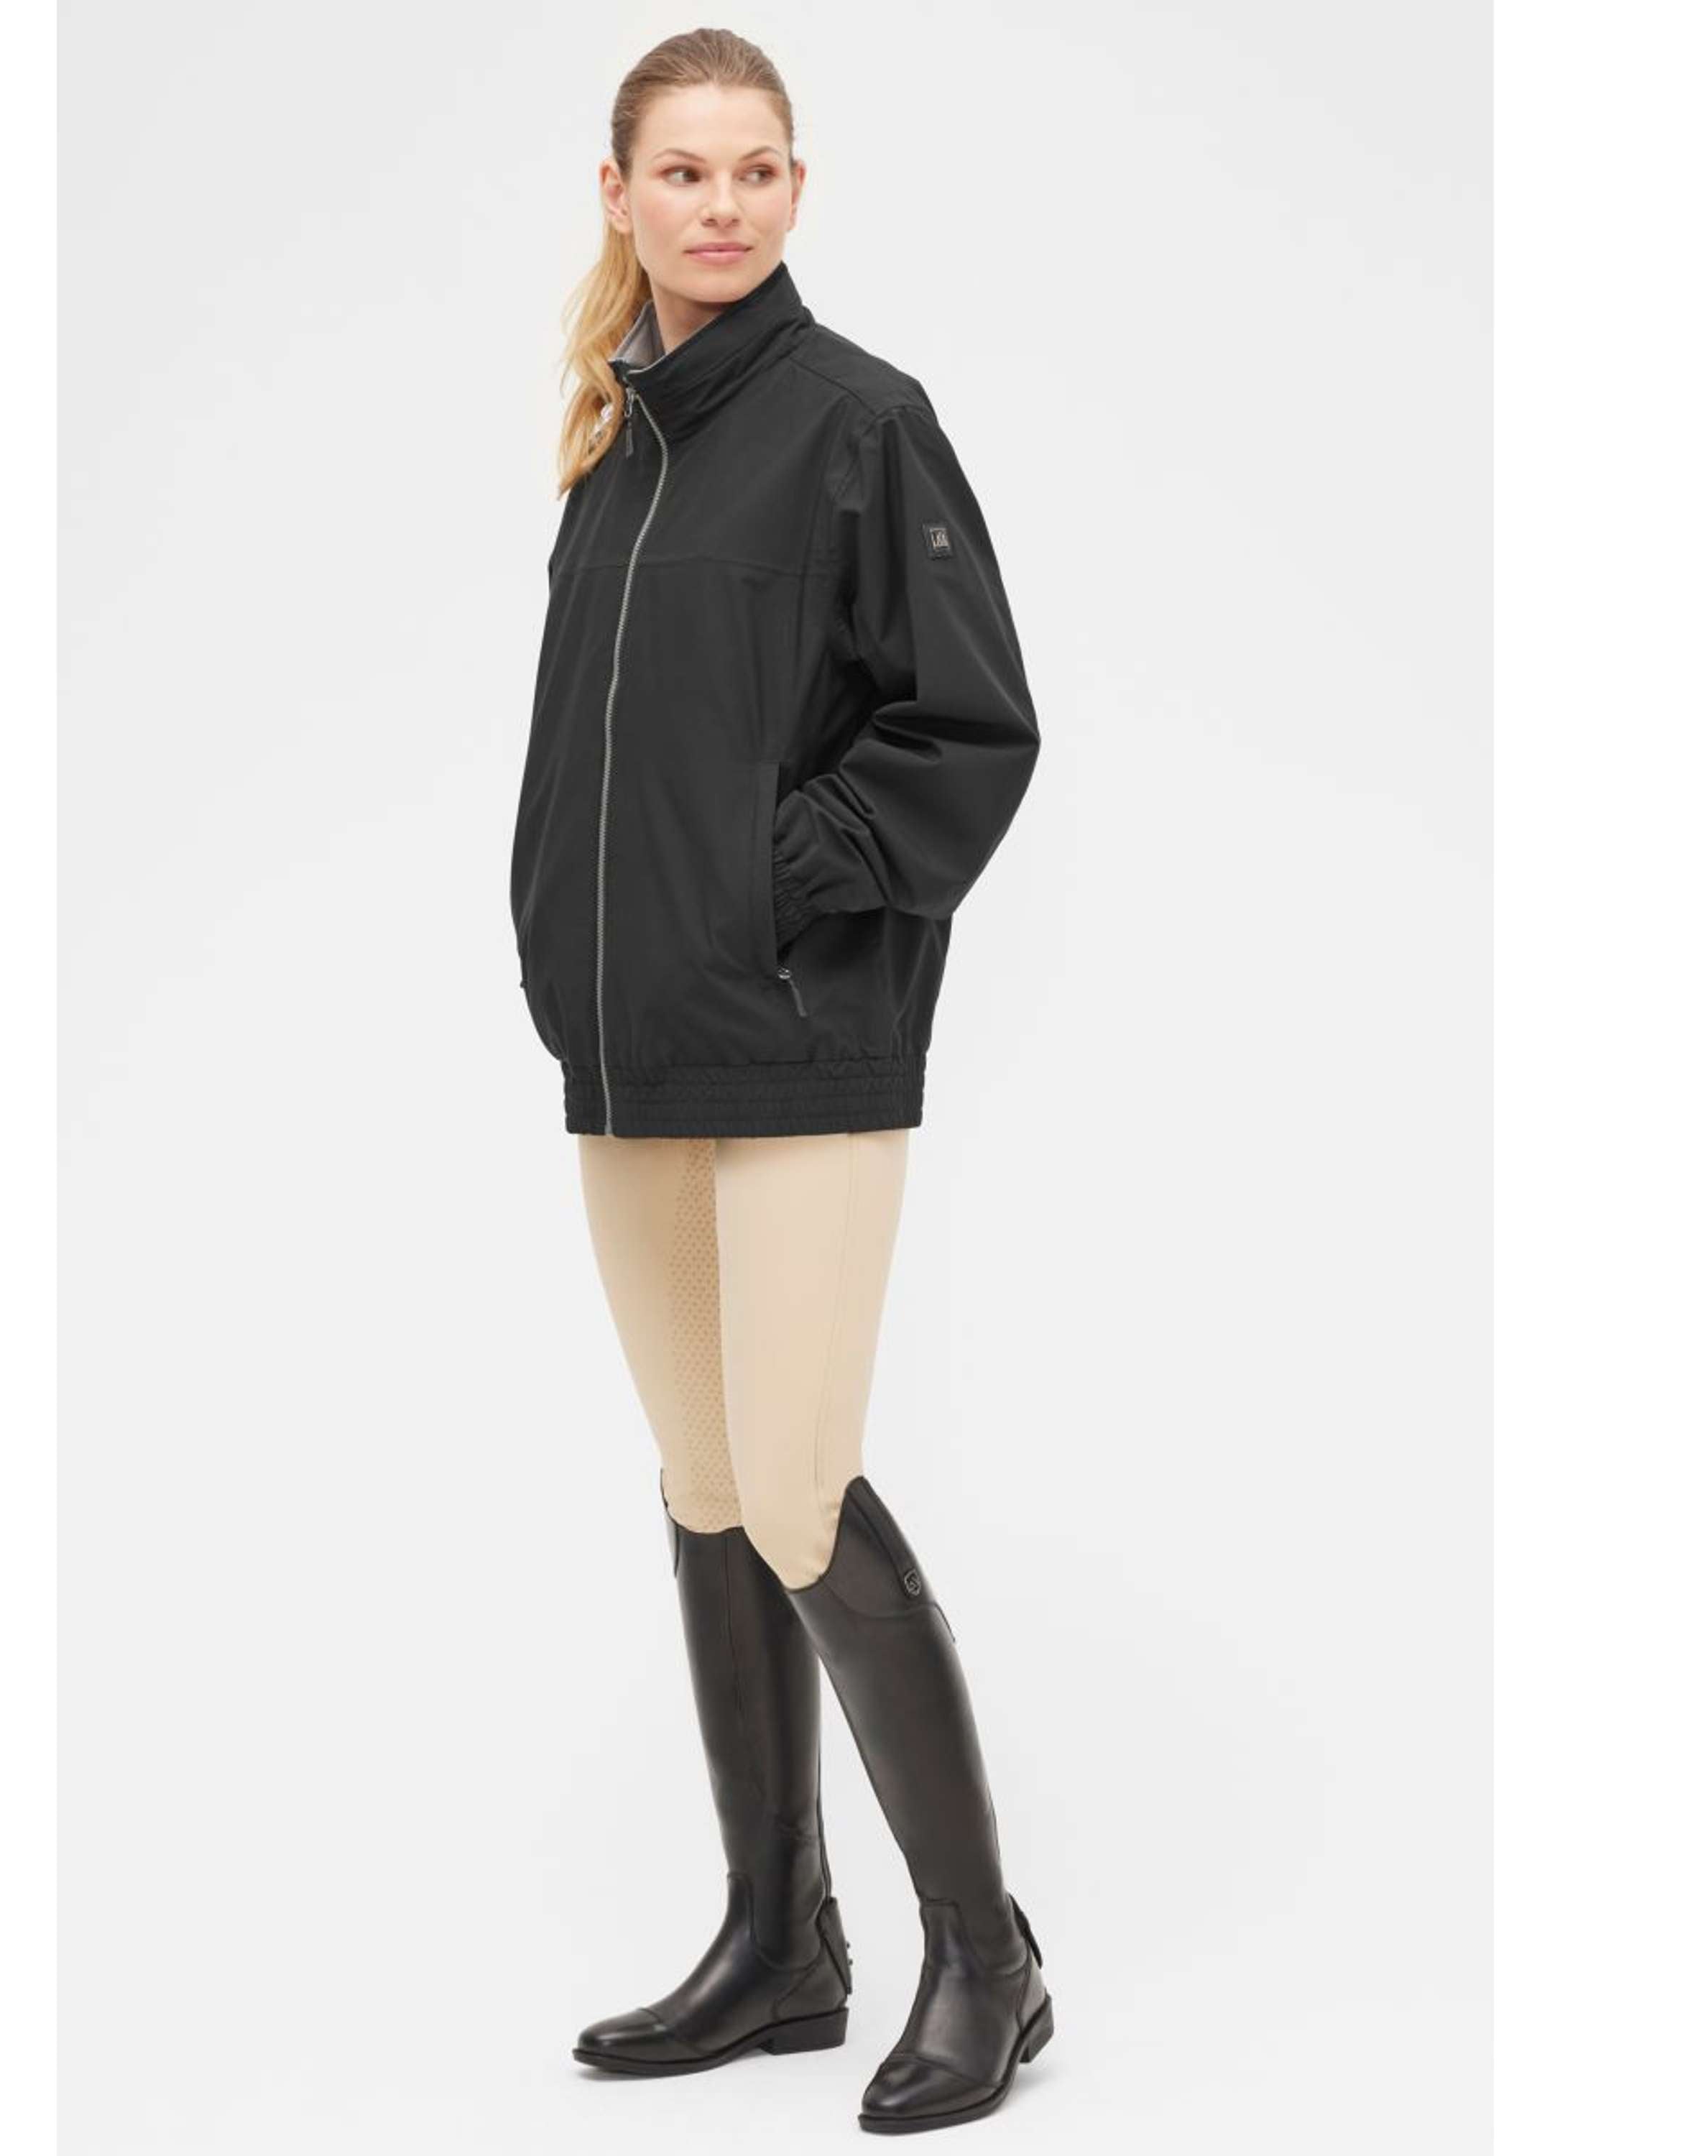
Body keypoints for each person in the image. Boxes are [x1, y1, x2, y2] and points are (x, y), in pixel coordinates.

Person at [507, 29, 1051, 2136]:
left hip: (805, 1036)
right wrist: (568, 944)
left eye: (755, 170)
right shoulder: (616, 450)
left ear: (797, 192)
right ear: (620, 193)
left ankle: (988, 1959)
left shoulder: (860, 425)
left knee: (801, 1486)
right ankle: (778, 1942)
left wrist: (772, 879)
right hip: (634, 1045)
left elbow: (968, 729)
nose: (719, 205)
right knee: (708, 1486)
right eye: (683, 171)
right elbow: (590, 763)